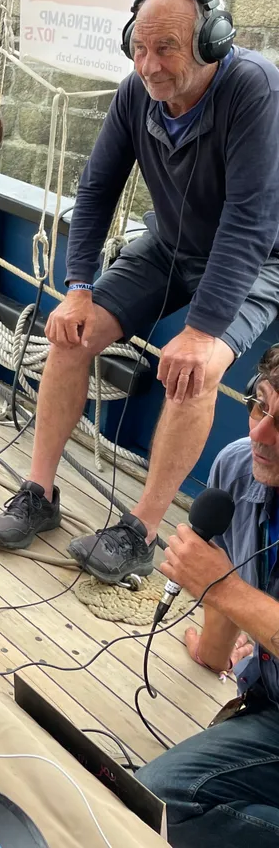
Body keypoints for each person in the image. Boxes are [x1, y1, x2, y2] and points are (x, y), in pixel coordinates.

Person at [0, 0, 279, 584]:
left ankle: (141, 532)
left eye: (166, 48)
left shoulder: (254, 91)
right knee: (71, 335)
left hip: (260, 256)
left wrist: (201, 331)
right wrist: (79, 288)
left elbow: (249, 222)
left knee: (195, 371)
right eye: (139, 48)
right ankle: (39, 491)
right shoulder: (135, 94)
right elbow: (95, 190)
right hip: (171, 243)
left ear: (213, 43)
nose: (149, 65)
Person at [135, 345, 279, 846]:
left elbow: (229, 585)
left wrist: (223, 587)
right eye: (261, 404)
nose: (259, 434)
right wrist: (212, 653)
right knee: (155, 801)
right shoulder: (240, 468)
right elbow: (233, 572)